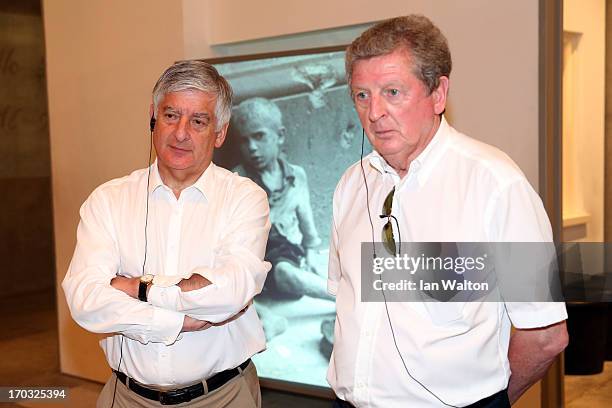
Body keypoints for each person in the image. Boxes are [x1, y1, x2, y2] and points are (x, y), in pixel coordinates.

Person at [327, 15, 568, 408]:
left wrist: (491, 403)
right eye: (362, 95)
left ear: (438, 94)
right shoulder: (351, 185)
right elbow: (345, 301)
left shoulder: (496, 184)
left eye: (392, 91)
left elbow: (545, 335)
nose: (374, 113)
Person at [62, 61, 271, 408]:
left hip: (222, 396)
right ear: (152, 118)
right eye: (171, 115)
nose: (180, 133)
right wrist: (174, 322)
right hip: (126, 397)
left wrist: (134, 287)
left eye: (198, 121)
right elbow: (84, 300)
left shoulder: (244, 198)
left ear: (219, 132)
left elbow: (231, 291)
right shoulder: (109, 200)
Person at [231, 97, 333, 339]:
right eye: (244, 141)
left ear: (280, 136)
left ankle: (346, 298)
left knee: (287, 273)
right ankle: (268, 318)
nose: (252, 148)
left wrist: (311, 256)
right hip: (254, 257)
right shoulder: (237, 181)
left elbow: (307, 227)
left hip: (285, 256)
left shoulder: (297, 176)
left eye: (259, 137)